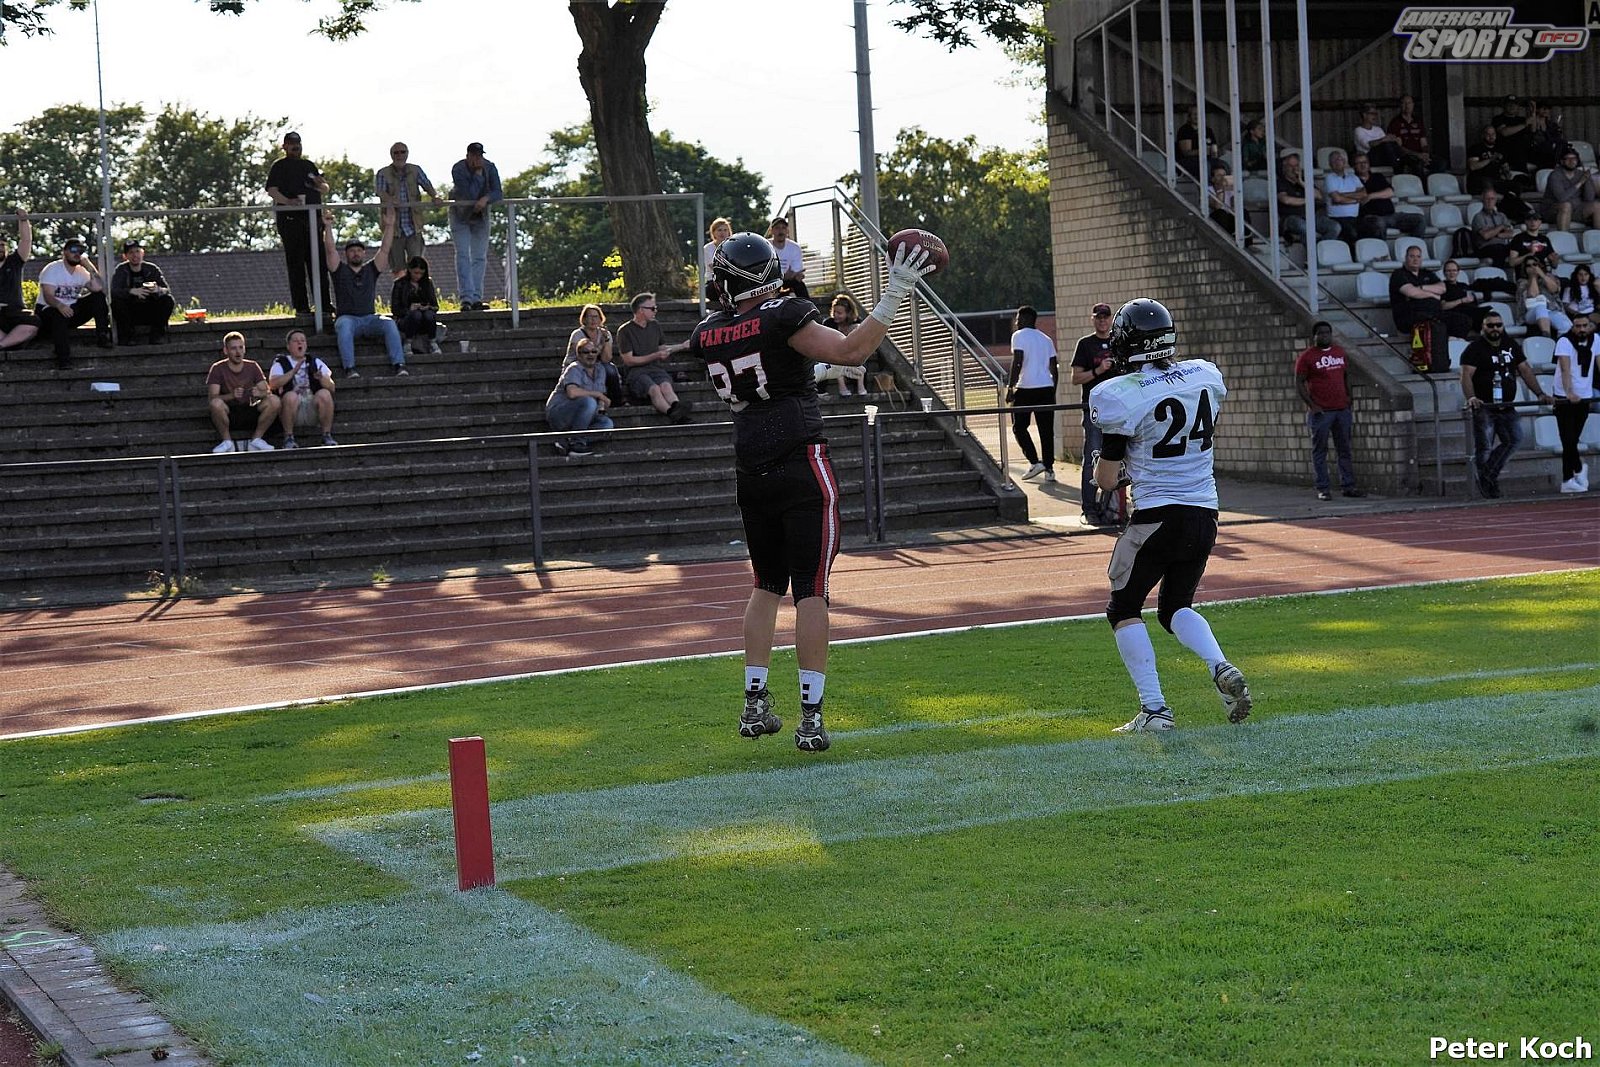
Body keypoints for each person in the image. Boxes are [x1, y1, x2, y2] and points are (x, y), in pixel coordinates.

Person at [683, 231, 936, 753]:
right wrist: (895, 291)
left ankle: (754, 704)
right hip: (800, 460)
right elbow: (853, 349)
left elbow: (766, 366)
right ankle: (811, 718)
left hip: (750, 465)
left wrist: (809, 368)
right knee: (811, 589)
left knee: (764, 585)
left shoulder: (707, 332)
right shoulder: (783, 314)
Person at [1088, 297, 1251, 734]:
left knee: (1123, 607)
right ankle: (1219, 665)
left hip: (1157, 516)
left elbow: (1106, 480)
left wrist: (1112, 470)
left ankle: (1155, 709)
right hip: (1205, 513)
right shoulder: (1203, 375)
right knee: (1175, 606)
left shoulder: (1120, 395)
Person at [1458, 311, 1550, 497]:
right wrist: (1471, 397)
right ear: (1483, 327)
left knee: (1515, 440)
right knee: (1484, 447)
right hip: (1484, 406)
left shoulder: (1511, 345)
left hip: (1507, 405)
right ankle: (1488, 484)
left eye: (1498, 325)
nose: (1495, 328)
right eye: (1490, 325)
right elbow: (1466, 374)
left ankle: (1487, 476)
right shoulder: (1475, 348)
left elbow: (1525, 370)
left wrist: (1540, 393)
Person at [321, 209, 406, 378]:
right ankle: (350, 368)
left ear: (364, 253)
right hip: (347, 318)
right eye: (352, 250)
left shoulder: (371, 269)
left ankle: (399, 365)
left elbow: (385, 249)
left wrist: (390, 225)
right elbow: (330, 250)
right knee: (344, 327)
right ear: (346, 254)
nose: (356, 253)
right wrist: (328, 227)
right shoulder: (339, 270)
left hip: (369, 318)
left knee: (389, 323)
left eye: (359, 250)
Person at [1294, 321, 1364, 500]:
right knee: (1320, 450)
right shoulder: (1307, 357)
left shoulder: (1339, 352)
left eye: (1327, 333)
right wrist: (1312, 405)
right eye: (1321, 333)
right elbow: (1299, 382)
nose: (1325, 336)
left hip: (1342, 409)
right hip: (1322, 412)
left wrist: (1349, 397)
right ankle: (1323, 488)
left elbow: (1346, 375)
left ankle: (1348, 486)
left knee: (1344, 449)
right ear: (1314, 336)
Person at [265, 131, 331, 317]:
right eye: (292, 144)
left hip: (313, 221)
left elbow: (325, 188)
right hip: (291, 221)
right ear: (284, 146)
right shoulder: (279, 166)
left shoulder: (308, 165)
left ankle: (324, 304)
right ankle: (302, 307)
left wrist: (319, 184)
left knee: (318, 263)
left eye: (298, 143)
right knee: (296, 264)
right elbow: (272, 190)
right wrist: (288, 202)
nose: (296, 147)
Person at [1070, 301, 1118, 527]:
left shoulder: (1118, 342)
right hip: (1094, 411)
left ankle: (1112, 507)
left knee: (1117, 458)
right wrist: (1099, 370)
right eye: (1098, 317)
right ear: (1093, 319)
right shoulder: (1085, 344)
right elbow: (1075, 378)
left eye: (1105, 317)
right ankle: (1089, 508)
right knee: (1092, 457)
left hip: (1118, 410)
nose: (1102, 321)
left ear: (1111, 319)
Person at [35, 235, 111, 367]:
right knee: (59, 314)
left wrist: (89, 266)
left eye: (80, 251)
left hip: (70, 311)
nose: (77, 254)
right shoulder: (52, 269)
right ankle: (63, 359)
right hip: (48, 311)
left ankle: (102, 336)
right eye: (73, 250)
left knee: (98, 297)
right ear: (65, 252)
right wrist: (60, 305)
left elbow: (99, 288)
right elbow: (48, 296)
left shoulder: (82, 271)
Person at [616, 291, 691, 423]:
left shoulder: (655, 325)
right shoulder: (625, 331)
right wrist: (655, 355)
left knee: (666, 386)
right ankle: (674, 414)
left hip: (655, 368)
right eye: (652, 308)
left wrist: (682, 346)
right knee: (654, 389)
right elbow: (629, 360)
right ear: (640, 310)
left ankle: (677, 408)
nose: (655, 311)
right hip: (636, 372)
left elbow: (662, 348)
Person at [1005, 304, 1059, 483]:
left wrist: (1010, 387)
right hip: (1046, 388)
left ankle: (1035, 462)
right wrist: (1052, 390)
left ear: (1026, 319)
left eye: (1018, 319)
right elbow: (1054, 367)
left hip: (1025, 388)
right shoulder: (1046, 339)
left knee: (1019, 427)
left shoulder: (1018, 336)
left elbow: (1017, 361)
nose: (1016, 323)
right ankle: (1049, 469)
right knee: (1046, 430)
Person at [206, 331, 280, 453]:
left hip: (250, 408)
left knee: (274, 401)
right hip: (228, 411)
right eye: (233, 348)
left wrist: (259, 393)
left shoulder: (252, 366)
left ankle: (256, 439)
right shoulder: (217, 368)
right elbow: (212, 398)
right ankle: (227, 442)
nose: (238, 352)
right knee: (216, 404)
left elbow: (267, 390)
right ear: (226, 351)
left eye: (241, 347)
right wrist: (231, 395)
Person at [375, 142, 441, 277]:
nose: (399, 155)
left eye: (402, 152)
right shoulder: (383, 173)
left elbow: (427, 184)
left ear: (407, 154)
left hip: (413, 226)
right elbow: (380, 192)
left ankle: (417, 290)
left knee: (417, 265)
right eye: (396, 152)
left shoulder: (415, 170)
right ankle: (401, 290)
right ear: (391, 155)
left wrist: (435, 196)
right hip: (394, 229)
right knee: (398, 269)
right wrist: (390, 200)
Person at [449, 142, 501, 310]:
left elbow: (498, 192)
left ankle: (476, 298)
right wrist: (478, 175)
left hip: (481, 216)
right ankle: (466, 298)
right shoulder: (458, 169)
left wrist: (486, 199)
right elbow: (469, 194)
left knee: (479, 257)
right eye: (474, 156)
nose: (478, 159)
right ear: (468, 156)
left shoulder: (490, 167)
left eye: (480, 156)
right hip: (460, 216)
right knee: (463, 255)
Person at [268, 328, 337, 449]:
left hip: (312, 408)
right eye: (296, 341)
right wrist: (293, 372)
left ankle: (327, 435)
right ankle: (288, 437)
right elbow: (273, 384)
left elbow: (332, 387)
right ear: (288, 346)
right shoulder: (280, 363)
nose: (300, 343)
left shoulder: (315, 362)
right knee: (290, 396)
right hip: (292, 409)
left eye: (303, 340)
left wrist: (322, 378)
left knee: (325, 394)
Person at [545, 337, 614, 457]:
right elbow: (572, 393)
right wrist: (598, 395)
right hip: (560, 412)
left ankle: (567, 439)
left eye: (594, 351)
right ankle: (577, 444)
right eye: (586, 352)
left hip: (583, 415)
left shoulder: (600, 370)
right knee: (589, 402)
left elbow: (600, 395)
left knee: (607, 424)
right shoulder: (574, 368)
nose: (590, 355)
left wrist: (602, 405)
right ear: (579, 355)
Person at [1551, 312, 1594, 493]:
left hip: (1585, 395)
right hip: (1564, 396)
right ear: (1573, 326)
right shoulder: (1564, 341)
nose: (1581, 329)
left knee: (1572, 440)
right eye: (1578, 326)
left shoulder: (1596, 340)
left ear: (1589, 326)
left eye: (1584, 326)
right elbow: (1565, 368)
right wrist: (1569, 392)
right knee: (1567, 438)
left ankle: (1567, 479)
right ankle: (1578, 468)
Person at [108, 239, 174, 345]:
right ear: (125, 256)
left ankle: (157, 335)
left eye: (137, 251)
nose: (135, 255)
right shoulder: (121, 270)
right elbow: (114, 291)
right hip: (130, 311)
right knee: (116, 303)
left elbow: (166, 290)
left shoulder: (152, 269)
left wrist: (157, 290)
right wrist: (131, 291)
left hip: (149, 308)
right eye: (131, 253)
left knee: (168, 300)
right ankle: (128, 337)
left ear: (142, 253)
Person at [1388, 244, 1445, 359]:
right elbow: (1412, 293)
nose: (1415, 259)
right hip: (1408, 316)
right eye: (1412, 256)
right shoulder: (1398, 274)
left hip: (1432, 313)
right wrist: (1433, 295)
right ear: (1406, 258)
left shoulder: (1427, 273)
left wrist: (1422, 287)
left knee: (1461, 320)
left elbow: (1442, 288)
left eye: (1418, 256)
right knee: (1433, 323)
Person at [1352, 152, 1424, 238]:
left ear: (1369, 164)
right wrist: (1378, 194)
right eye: (1359, 163)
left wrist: (1370, 196)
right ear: (1354, 166)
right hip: (1370, 217)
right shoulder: (1351, 180)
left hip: (1391, 215)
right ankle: (1381, 247)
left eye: (1365, 162)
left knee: (1420, 219)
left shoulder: (1378, 177)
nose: (1363, 165)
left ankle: (1412, 245)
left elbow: (1390, 192)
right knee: (1379, 223)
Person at [566, 302, 624, 407]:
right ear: (584, 319)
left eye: (596, 317)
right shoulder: (577, 334)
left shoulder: (605, 334)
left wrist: (606, 340)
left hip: (597, 364)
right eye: (590, 317)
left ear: (600, 319)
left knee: (610, 369)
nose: (593, 320)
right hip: (578, 364)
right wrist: (599, 347)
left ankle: (616, 402)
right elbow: (582, 355)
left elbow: (606, 359)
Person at [1276, 151, 1338, 245]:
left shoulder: (1304, 182)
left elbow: (1319, 196)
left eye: (1296, 165)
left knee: (1335, 227)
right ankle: (1314, 250)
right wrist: (1308, 200)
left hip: (1310, 217)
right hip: (1290, 218)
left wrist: (1301, 182)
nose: (1294, 169)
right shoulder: (1280, 182)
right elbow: (1286, 200)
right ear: (1284, 168)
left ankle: (1319, 249)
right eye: (1291, 166)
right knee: (1305, 227)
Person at [0, 207, 40, 353]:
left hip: (14, 311)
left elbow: (26, 240)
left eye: (2, 245)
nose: (0, 248)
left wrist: (23, 220)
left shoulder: (15, 261)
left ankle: (3, 345)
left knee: (33, 322)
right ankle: (11, 344)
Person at [816, 293, 869, 395]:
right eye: (834, 312)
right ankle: (842, 387)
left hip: (850, 352)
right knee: (835, 360)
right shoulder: (829, 323)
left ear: (848, 313)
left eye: (839, 313)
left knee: (860, 356)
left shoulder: (856, 323)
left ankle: (860, 386)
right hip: (833, 353)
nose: (836, 315)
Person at [390, 255, 444, 355]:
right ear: (409, 270)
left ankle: (432, 342)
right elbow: (395, 309)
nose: (418, 276)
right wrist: (409, 309)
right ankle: (408, 343)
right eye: (415, 273)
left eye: (421, 274)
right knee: (416, 315)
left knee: (428, 315)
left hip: (425, 318)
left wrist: (427, 307)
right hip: (406, 319)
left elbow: (435, 305)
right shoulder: (400, 284)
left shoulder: (427, 283)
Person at [1539, 147, 1600, 233]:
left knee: (1597, 205)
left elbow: (1589, 198)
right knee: (1566, 205)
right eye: (1568, 159)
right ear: (1562, 161)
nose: (1572, 161)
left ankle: (1597, 238)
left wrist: (1587, 180)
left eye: (1574, 159)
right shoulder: (1555, 175)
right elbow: (1561, 198)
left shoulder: (1580, 174)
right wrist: (1580, 183)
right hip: (1553, 210)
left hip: (1576, 210)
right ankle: (1564, 238)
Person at [1516, 257, 1570, 339]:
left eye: (1535, 264)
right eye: (1528, 266)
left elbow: (1554, 289)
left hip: (1551, 310)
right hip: (1530, 312)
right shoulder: (1522, 282)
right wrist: (1533, 277)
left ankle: (1561, 342)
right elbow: (1534, 295)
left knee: (1565, 324)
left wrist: (1542, 275)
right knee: (1540, 308)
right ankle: (1547, 337)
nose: (1532, 267)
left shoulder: (1549, 277)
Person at [1386, 94, 1439, 175]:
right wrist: (1417, 155)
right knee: (1416, 165)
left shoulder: (1418, 121)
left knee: (1441, 163)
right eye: (1404, 103)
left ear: (1413, 105)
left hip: (1420, 155)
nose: (1407, 106)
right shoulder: (1395, 123)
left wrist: (1426, 154)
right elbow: (1398, 147)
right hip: (1406, 156)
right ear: (1400, 105)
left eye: (1409, 103)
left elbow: (1424, 143)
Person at [1322, 148, 1363, 248]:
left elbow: (1363, 194)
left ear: (1344, 162)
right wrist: (1355, 199)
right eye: (1335, 160)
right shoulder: (1329, 178)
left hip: (1355, 217)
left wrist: (1343, 195)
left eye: (1340, 159)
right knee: (1352, 233)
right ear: (1330, 164)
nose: (1338, 162)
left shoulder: (1353, 177)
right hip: (1337, 218)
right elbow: (1337, 199)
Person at [1439, 259, 1485, 340]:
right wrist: (1461, 300)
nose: (1452, 273)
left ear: (1458, 272)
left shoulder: (1463, 286)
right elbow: (1443, 306)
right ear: (1444, 273)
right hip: (1454, 314)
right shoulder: (1442, 286)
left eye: (1454, 270)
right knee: (1466, 319)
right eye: (1449, 271)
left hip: (1469, 310)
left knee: (1489, 313)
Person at [1470, 187, 1515, 268]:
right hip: (1484, 248)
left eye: (1492, 199)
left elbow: (1510, 233)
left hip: (1501, 245)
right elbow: (1486, 236)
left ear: (1495, 200)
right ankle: (1498, 272)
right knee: (1498, 249)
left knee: (1519, 246)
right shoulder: (1478, 217)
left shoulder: (1501, 216)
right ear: (1483, 200)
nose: (1490, 201)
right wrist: (1501, 227)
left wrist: (1494, 233)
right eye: (1487, 199)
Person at [766, 216, 808, 301]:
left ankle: (808, 307)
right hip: (772, 282)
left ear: (787, 231)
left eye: (783, 228)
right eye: (777, 228)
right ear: (771, 231)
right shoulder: (766, 246)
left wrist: (791, 275)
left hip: (789, 281)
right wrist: (788, 275)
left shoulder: (795, 247)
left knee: (800, 285)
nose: (780, 231)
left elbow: (796, 273)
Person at [1174, 104, 1219, 181]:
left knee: (1223, 165)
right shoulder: (1184, 130)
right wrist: (1203, 151)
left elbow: (1214, 149)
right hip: (1187, 161)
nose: (1197, 116)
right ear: (1189, 117)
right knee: (1205, 166)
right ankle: (1206, 187)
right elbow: (1186, 153)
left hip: (1207, 159)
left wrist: (1214, 152)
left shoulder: (1208, 130)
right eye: (1194, 114)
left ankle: (1221, 188)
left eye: (1199, 114)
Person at [1353, 104, 1400, 168]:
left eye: (1376, 114)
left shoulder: (1378, 129)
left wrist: (1394, 139)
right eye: (1372, 113)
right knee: (1386, 145)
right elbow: (1367, 145)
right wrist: (1383, 139)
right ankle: (1397, 166)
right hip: (1368, 158)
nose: (1375, 116)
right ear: (1364, 115)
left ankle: (1400, 162)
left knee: (1394, 144)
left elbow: (1387, 142)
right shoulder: (1358, 130)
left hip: (1382, 157)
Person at [701, 216, 732, 283]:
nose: (722, 233)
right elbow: (713, 266)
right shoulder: (707, 248)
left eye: (725, 230)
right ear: (713, 232)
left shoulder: (732, 247)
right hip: (713, 281)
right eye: (719, 230)